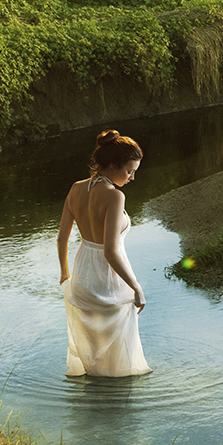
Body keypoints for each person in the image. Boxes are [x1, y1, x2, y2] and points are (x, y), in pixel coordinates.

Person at [56, 129, 151, 377]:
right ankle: (117, 384)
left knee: (94, 333)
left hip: (83, 270)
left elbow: (62, 237)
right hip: (108, 275)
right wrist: (136, 287)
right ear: (112, 166)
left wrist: (65, 273)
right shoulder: (114, 196)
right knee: (120, 337)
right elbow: (110, 251)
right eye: (129, 171)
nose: (132, 178)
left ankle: (95, 379)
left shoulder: (75, 188)